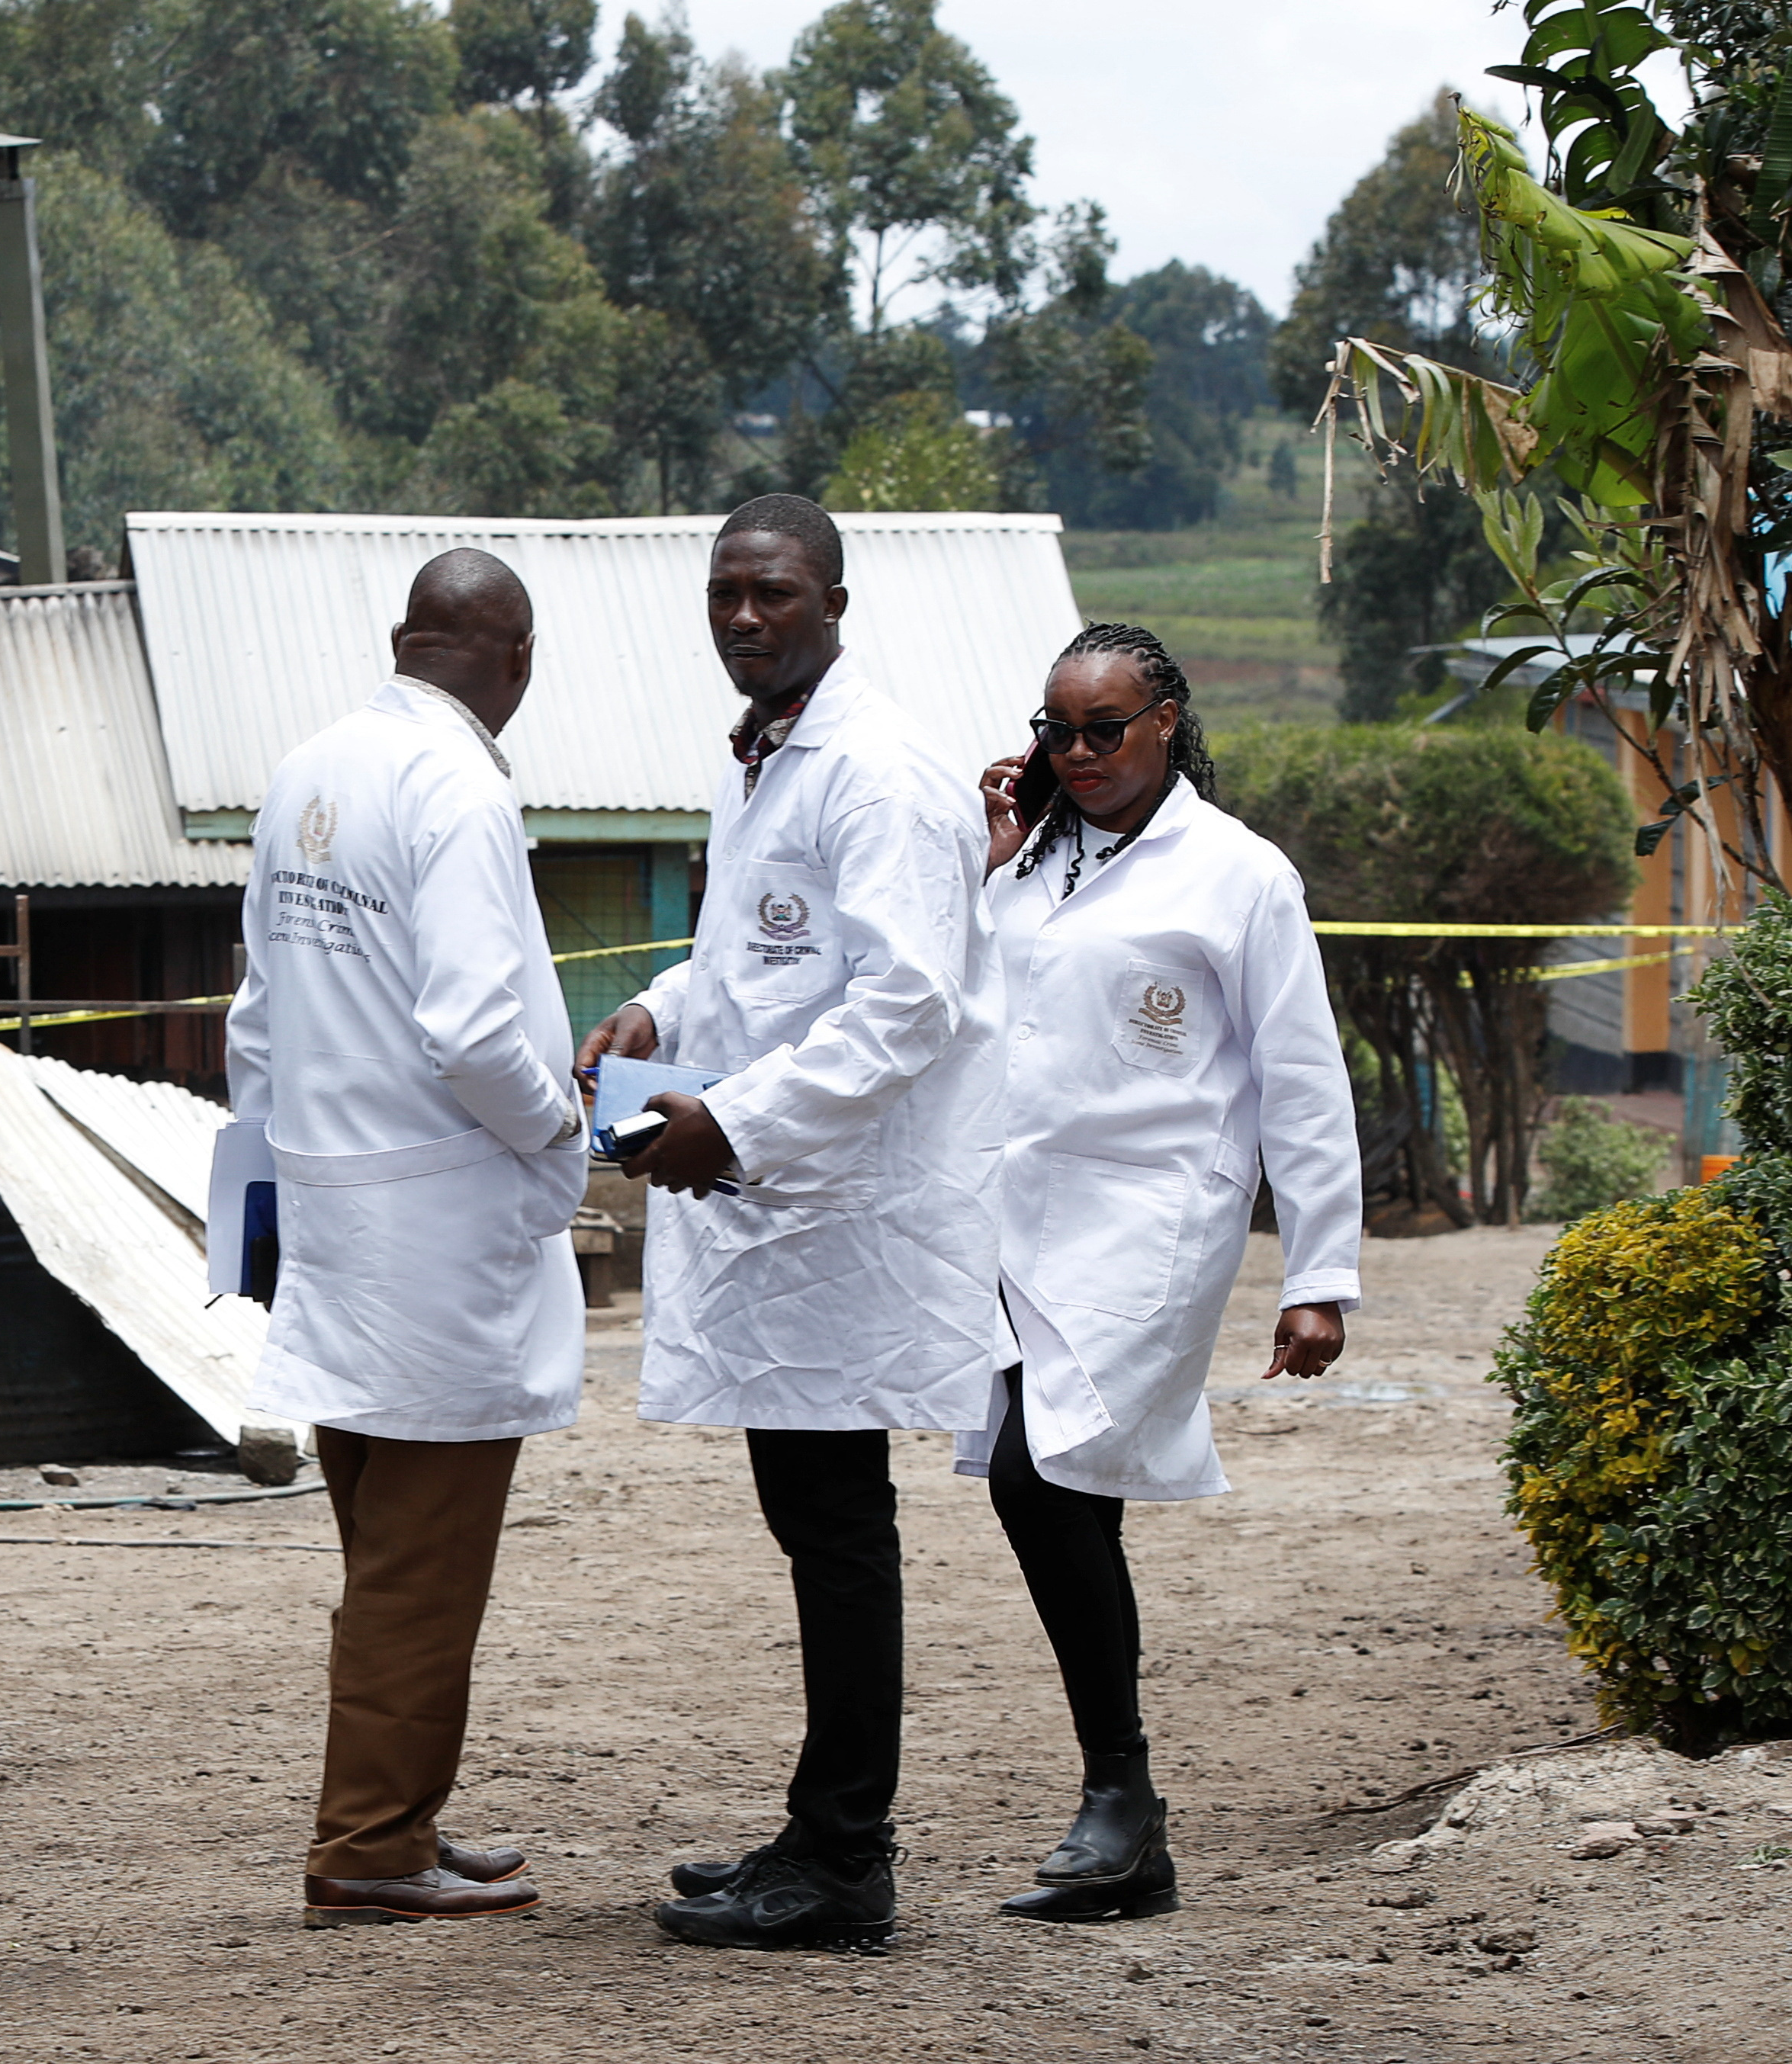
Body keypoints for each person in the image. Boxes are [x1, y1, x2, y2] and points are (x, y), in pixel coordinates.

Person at [576, 495, 1004, 1951]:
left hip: (842, 1212)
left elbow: (905, 1002)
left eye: (771, 592)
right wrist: (661, 1011)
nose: (744, 617)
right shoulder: (764, 761)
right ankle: (822, 1826)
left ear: (832, 597)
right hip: (784, 1211)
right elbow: (751, 967)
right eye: (724, 596)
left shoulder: (876, 776)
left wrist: (736, 1123)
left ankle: (844, 1862)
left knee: (838, 1529)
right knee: (816, 1519)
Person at [962, 621, 1360, 1921]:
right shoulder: (1033, 865)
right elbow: (968, 1002)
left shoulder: (1240, 875)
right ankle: (1128, 1835)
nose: (1076, 755)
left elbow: (1303, 1083)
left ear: (1168, 725)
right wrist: (991, 866)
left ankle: (1120, 1795)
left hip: (1154, 1222)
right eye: (1057, 731)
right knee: (1071, 1488)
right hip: (1020, 1213)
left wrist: (1321, 1276)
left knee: (1042, 1474)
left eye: (1105, 731)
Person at [225, 547, 589, 1928]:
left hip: (331, 1208)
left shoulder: (309, 769)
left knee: (384, 1541)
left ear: (402, 640)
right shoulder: (459, 788)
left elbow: (256, 1019)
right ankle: (370, 1848)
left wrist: (276, 1179)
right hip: (435, 1228)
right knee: (419, 1567)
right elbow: (479, 1030)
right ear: (519, 662)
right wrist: (563, 1131)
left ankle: (403, 1809)